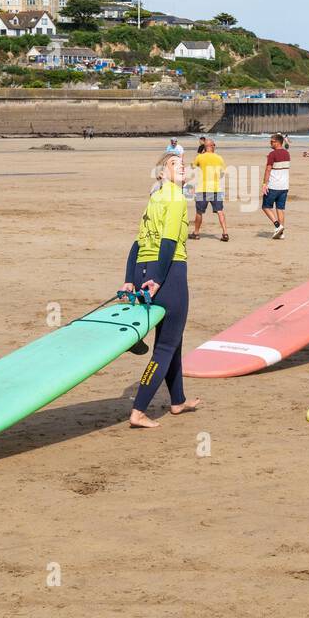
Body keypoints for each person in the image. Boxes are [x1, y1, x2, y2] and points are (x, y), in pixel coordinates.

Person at [122, 152, 201, 428]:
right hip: (170, 273)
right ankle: (139, 410)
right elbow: (168, 242)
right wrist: (157, 279)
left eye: (183, 164)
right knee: (166, 346)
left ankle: (177, 400)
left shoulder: (153, 199)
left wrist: (130, 279)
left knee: (173, 340)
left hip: (143, 268)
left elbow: (137, 244)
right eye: (173, 164)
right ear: (161, 172)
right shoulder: (176, 197)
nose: (181, 167)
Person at [190, 137, 228, 241]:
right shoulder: (219, 158)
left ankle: (196, 233)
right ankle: (225, 233)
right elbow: (223, 173)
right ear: (211, 146)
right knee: (220, 211)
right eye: (214, 145)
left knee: (199, 212)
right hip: (216, 188)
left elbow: (193, 166)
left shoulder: (200, 157)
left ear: (205, 147)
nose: (215, 147)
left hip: (202, 189)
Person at [260, 133, 291, 239]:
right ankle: (281, 233)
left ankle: (278, 226)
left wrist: (265, 184)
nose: (270, 143)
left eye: (272, 141)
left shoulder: (272, 154)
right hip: (284, 186)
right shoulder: (287, 153)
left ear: (277, 142)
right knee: (280, 208)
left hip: (274, 185)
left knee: (266, 206)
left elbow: (268, 169)